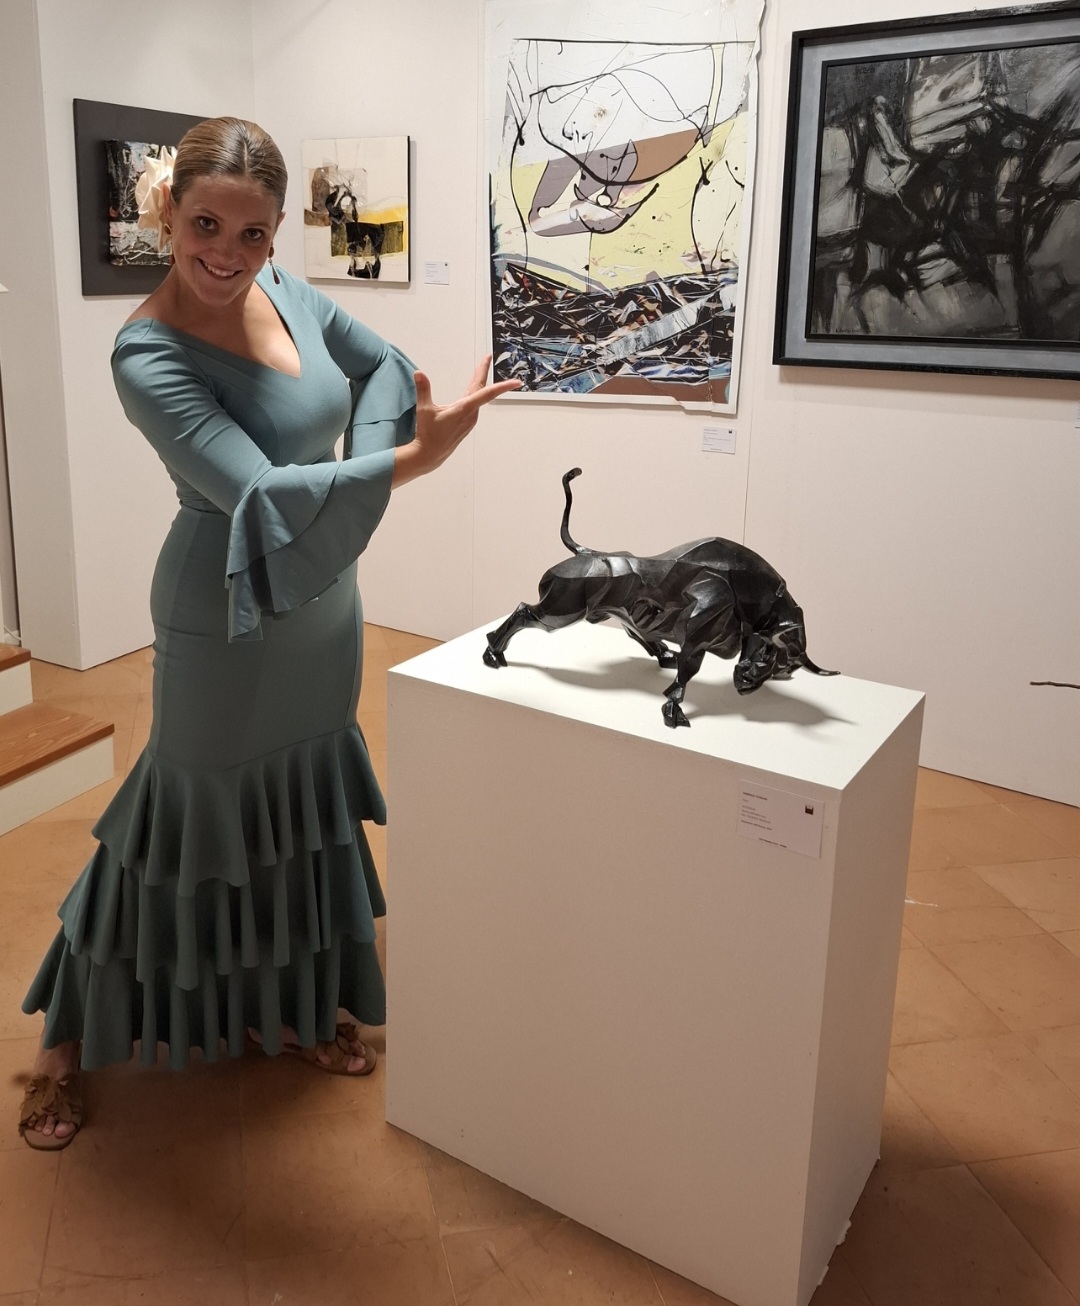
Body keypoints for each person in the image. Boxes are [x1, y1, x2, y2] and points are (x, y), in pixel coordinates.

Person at [17, 116, 518, 1149]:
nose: (227, 254)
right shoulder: (145, 353)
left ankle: (280, 1008)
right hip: (223, 614)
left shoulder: (288, 291)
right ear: (168, 209)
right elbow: (261, 496)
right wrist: (408, 464)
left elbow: (386, 368)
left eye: (253, 234)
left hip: (323, 604)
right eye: (207, 224)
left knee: (296, 820)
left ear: (278, 234)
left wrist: (376, 456)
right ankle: (64, 1038)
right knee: (179, 828)